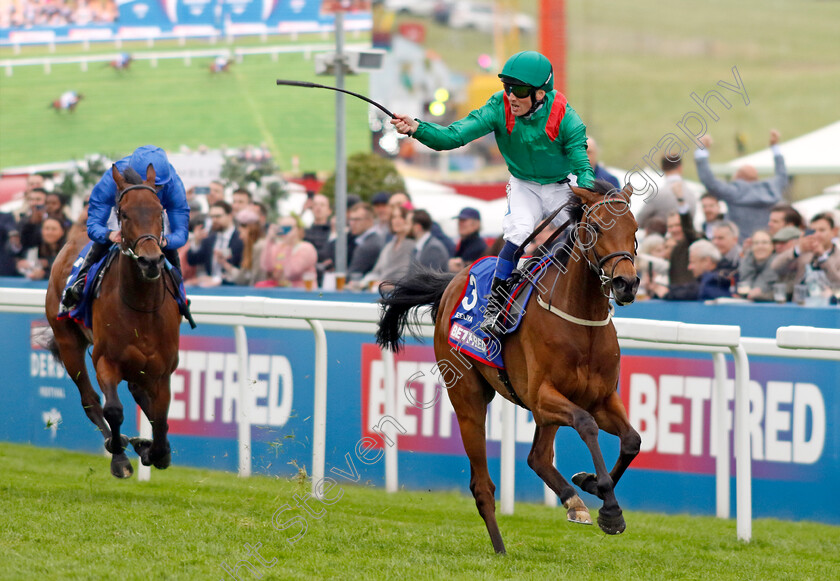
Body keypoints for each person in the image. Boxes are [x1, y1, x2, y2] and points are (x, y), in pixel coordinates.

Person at [391, 50, 594, 334]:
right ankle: (495, 307)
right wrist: (416, 128)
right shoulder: (498, 107)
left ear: (540, 94)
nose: (511, 96)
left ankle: (601, 295)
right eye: (507, 87)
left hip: (562, 184)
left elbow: (583, 168)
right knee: (518, 233)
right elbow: (452, 137)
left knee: (589, 235)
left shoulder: (567, 118)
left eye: (520, 90)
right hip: (524, 184)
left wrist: (588, 197)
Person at [59, 145, 190, 313]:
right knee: (101, 243)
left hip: (152, 216)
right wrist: (109, 234)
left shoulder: (173, 183)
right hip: (120, 213)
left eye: (158, 188)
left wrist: (166, 240)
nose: (152, 191)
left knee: (167, 251)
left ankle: (181, 298)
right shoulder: (111, 180)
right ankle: (77, 285)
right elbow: (93, 226)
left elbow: (181, 233)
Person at [694, 130, 787, 242]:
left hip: (741, 248)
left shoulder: (735, 192)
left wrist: (701, 151)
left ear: (738, 178)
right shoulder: (772, 189)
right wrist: (775, 148)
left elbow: (710, 182)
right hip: (766, 245)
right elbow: (782, 175)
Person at [772, 212, 840, 290]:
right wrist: (798, 250)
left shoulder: (838, 256)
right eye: (813, 231)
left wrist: (823, 257)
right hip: (802, 300)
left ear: (834, 232)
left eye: (822, 230)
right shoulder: (803, 252)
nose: (816, 235)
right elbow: (776, 267)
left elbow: (838, 283)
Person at [187, 200, 243, 287]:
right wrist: (196, 241)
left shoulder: (240, 239)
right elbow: (192, 260)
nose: (214, 220)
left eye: (218, 216)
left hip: (233, 289)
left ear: (230, 216)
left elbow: (243, 271)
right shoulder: (209, 239)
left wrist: (218, 280)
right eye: (212, 217)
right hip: (209, 288)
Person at [636, 154, 697, 230]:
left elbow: (639, 221)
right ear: (680, 168)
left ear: (662, 168)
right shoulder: (691, 194)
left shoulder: (657, 194)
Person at [363, 205, 415, 291]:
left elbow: (408, 277)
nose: (397, 220)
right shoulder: (388, 246)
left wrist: (388, 285)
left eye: (401, 217)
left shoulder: (412, 245)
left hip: (400, 293)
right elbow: (376, 271)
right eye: (394, 217)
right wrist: (365, 282)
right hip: (379, 290)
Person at [258, 215, 318, 288]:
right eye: (282, 228)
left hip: (303, 294)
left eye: (288, 228)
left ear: (297, 229)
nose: (284, 232)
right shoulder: (279, 247)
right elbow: (266, 267)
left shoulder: (306, 248)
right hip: (282, 293)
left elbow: (291, 273)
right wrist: (269, 241)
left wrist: (290, 245)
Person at [219, 209, 268, 286]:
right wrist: (224, 263)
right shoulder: (251, 248)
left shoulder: (259, 247)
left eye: (241, 232)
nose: (240, 237)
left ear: (249, 229)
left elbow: (255, 280)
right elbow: (243, 277)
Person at [737, 229, 778, 301]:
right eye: (756, 243)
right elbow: (744, 283)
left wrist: (757, 292)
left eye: (764, 243)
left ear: (773, 246)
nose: (760, 246)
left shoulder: (778, 263)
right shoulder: (746, 260)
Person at [346, 202, 384, 279]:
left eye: (356, 219)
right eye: (350, 219)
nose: (352, 223)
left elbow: (352, 274)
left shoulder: (369, 245)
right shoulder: (370, 240)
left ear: (369, 220)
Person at [449, 207, 487, 272]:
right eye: (459, 220)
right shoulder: (464, 243)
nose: (460, 223)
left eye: (464, 220)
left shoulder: (478, 247)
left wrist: (462, 266)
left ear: (476, 224)